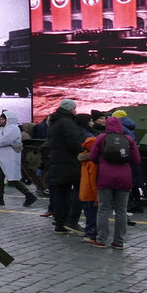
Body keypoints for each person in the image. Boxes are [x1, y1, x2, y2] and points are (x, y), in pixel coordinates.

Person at [88, 115, 141, 247]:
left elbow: (92, 157)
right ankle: (119, 241)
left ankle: (101, 239)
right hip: (124, 178)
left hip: (105, 177)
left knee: (103, 209)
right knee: (121, 210)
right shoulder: (128, 139)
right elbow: (136, 160)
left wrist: (102, 162)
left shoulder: (101, 138)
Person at [45, 99, 85, 234]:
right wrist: (82, 151)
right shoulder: (67, 122)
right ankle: (72, 221)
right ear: (70, 109)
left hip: (57, 163)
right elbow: (74, 142)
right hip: (70, 163)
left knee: (61, 194)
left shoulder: (54, 123)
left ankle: (60, 224)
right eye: (74, 108)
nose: (76, 110)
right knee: (80, 192)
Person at [0, 110, 39, 207]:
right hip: (0, 157)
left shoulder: (13, 129)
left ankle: (29, 195)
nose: (1, 121)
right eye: (0, 119)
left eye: (3, 119)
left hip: (10, 158)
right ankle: (0, 198)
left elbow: (3, 141)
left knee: (13, 178)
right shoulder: (0, 130)